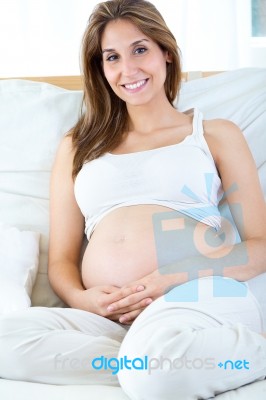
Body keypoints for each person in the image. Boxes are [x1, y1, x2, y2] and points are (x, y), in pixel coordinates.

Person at [0, 0, 266, 399]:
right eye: (112, 57)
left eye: (140, 49)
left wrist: (168, 279)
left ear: (166, 53)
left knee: (153, 379)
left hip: (193, 295)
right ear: (101, 69)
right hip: (110, 319)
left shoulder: (213, 134)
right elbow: (61, 261)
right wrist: (82, 299)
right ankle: (147, 360)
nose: (129, 69)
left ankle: (162, 362)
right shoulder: (78, 146)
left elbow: (259, 247)